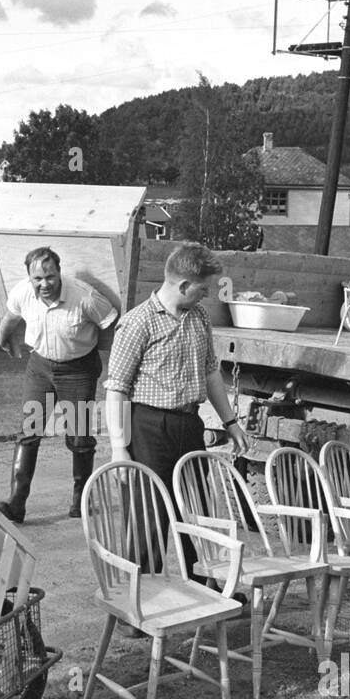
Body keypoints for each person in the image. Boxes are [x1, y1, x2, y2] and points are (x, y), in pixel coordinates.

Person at [103, 241, 251, 574]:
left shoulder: (198, 316)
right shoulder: (137, 323)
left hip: (189, 425)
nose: (207, 295)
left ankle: (203, 588)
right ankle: (142, 600)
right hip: (148, 427)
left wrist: (231, 423)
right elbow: (116, 389)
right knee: (149, 516)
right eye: (203, 288)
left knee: (196, 509)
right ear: (183, 285)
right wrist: (118, 449)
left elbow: (211, 371)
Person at [0, 246, 118, 523]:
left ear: (59, 273)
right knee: (29, 430)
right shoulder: (23, 292)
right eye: (38, 278)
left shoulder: (84, 297)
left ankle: (80, 501)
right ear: (30, 277)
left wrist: (115, 364)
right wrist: (2, 339)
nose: (44, 284)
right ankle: (17, 502)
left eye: (49, 276)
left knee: (79, 436)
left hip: (78, 371)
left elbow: (112, 323)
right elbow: (11, 317)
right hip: (40, 368)